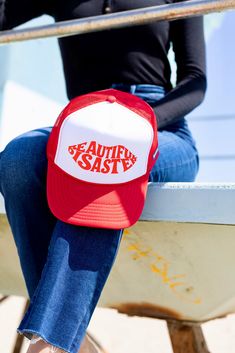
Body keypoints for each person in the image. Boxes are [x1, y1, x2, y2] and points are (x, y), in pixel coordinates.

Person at [0, 0, 207, 352]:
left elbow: (195, 81)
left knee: (104, 163)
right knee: (19, 158)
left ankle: (49, 340)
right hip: (85, 122)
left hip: (162, 126)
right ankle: (66, 337)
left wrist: (137, 125)